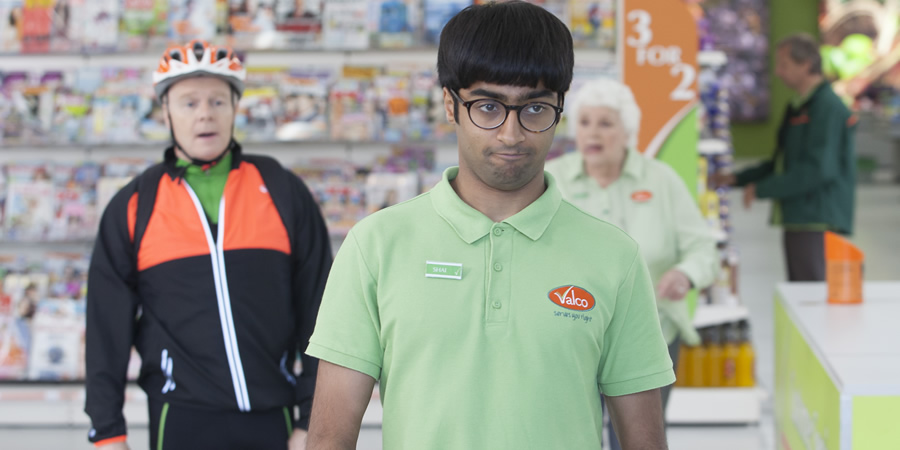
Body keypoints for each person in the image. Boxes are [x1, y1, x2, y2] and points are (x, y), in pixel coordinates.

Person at [305, 2, 674, 449]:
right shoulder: (377, 245)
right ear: (449, 104)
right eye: (487, 107)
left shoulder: (615, 256)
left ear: (561, 108)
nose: (511, 135)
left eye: (535, 109)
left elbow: (645, 442)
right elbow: (329, 439)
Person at [84, 40, 332, 450]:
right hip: (179, 416)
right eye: (188, 102)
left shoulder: (281, 189)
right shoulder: (135, 205)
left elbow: (320, 311)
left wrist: (311, 418)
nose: (205, 113)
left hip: (275, 417)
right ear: (165, 111)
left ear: (236, 108)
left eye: (218, 100)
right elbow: (105, 328)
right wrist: (107, 431)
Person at [545, 78, 719, 449]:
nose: (592, 132)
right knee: (570, 431)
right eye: (585, 122)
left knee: (637, 438)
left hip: (651, 331)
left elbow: (704, 249)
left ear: (628, 132)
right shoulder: (552, 180)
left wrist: (684, 275)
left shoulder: (662, 180)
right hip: (569, 332)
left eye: (606, 123)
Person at [712, 33, 857, 281]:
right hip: (799, 216)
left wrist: (762, 189)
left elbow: (818, 169)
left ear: (807, 64)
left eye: (784, 65)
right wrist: (737, 178)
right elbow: (781, 162)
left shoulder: (827, 107)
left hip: (817, 219)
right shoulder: (799, 106)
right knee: (801, 290)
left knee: (812, 294)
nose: (778, 72)